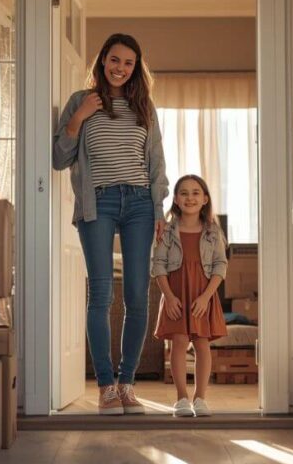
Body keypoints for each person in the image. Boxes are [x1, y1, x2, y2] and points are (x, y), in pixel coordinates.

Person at [52, 33, 168, 416]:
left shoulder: (144, 107)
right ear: (103, 60)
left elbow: (156, 164)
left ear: (136, 68)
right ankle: (105, 386)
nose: (120, 68)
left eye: (129, 63)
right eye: (114, 60)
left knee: (137, 295)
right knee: (100, 295)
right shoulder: (80, 101)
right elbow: (58, 157)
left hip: (138, 202)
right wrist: (80, 118)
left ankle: (127, 383)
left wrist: (159, 209)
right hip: (97, 201)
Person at [152, 174, 229, 417]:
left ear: (205, 199)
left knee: (202, 344)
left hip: (202, 295)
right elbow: (159, 265)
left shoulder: (213, 232)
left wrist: (207, 297)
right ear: (175, 199)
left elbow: (220, 266)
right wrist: (169, 297)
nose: (190, 197)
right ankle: (181, 398)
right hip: (176, 294)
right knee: (179, 342)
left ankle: (200, 398)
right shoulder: (167, 230)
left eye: (196, 192)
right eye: (184, 193)